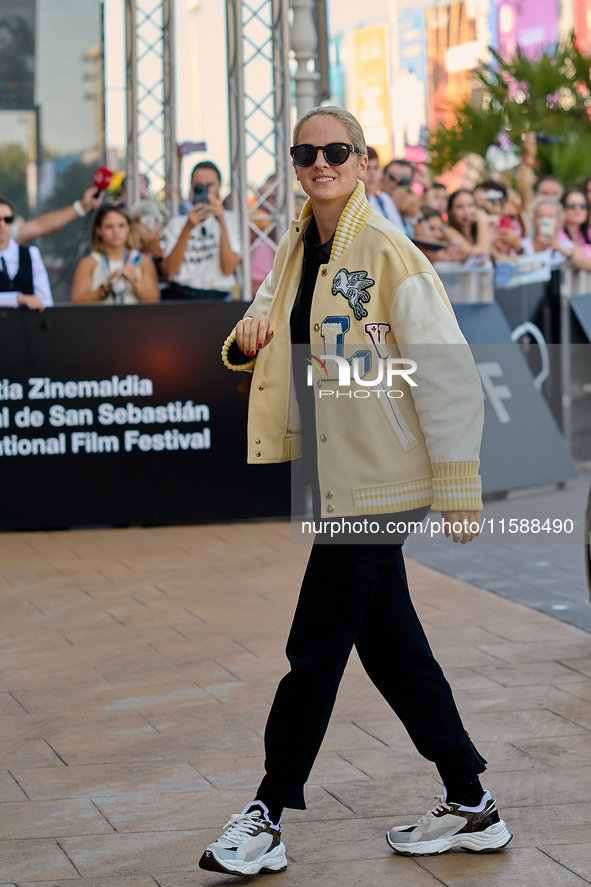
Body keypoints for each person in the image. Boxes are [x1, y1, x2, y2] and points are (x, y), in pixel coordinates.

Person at [200, 106, 511, 877]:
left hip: (382, 479)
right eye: (306, 152)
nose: (319, 162)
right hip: (336, 473)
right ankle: (469, 800)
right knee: (391, 646)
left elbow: (445, 370)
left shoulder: (389, 253)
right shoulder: (296, 246)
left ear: (363, 161)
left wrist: (458, 485)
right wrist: (245, 340)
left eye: (334, 150)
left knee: (314, 647)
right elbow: (264, 313)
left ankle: (267, 811)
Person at [161, 161, 241, 300]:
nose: (205, 190)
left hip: (218, 299)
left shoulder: (231, 220)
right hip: (181, 296)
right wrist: (187, 228)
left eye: (209, 185)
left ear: (219, 186)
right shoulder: (177, 223)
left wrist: (221, 221)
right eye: (199, 185)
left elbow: (228, 268)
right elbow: (171, 270)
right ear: (191, 187)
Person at [70, 204, 159, 304]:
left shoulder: (142, 261)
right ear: (99, 230)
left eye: (121, 226)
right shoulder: (89, 263)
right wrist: (106, 288)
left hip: (135, 319)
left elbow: (155, 301)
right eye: (109, 226)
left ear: (129, 227)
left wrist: (135, 282)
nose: (116, 231)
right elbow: (77, 304)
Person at [0, 195, 52, 311]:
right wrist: (17, 298)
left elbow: (46, 300)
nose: (2, 224)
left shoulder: (31, 254)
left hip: (26, 327)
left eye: (7, 219)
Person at [14, 186, 102, 247]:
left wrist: (81, 206)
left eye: (7, 219)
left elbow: (40, 226)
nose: (3, 223)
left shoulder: (7, 234)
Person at [364, 146, 406, 232]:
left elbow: (400, 235)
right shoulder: (346, 202)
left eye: (375, 168)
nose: (372, 173)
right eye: (367, 168)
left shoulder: (383, 200)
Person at [445, 189, 490, 262]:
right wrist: (482, 220)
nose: (466, 211)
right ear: (451, 211)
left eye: (470, 205)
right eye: (460, 207)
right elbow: (482, 258)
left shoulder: (477, 229)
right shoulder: (448, 231)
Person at [551, 189, 591, 271]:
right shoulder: (556, 234)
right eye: (572, 206)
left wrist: (564, 251)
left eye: (583, 206)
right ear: (562, 208)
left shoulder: (588, 233)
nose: (577, 210)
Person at [380, 158, 420, 233]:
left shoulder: (414, 208)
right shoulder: (374, 205)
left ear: (411, 183)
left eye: (404, 179)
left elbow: (428, 241)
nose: (398, 182)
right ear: (382, 180)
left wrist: (415, 213)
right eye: (392, 177)